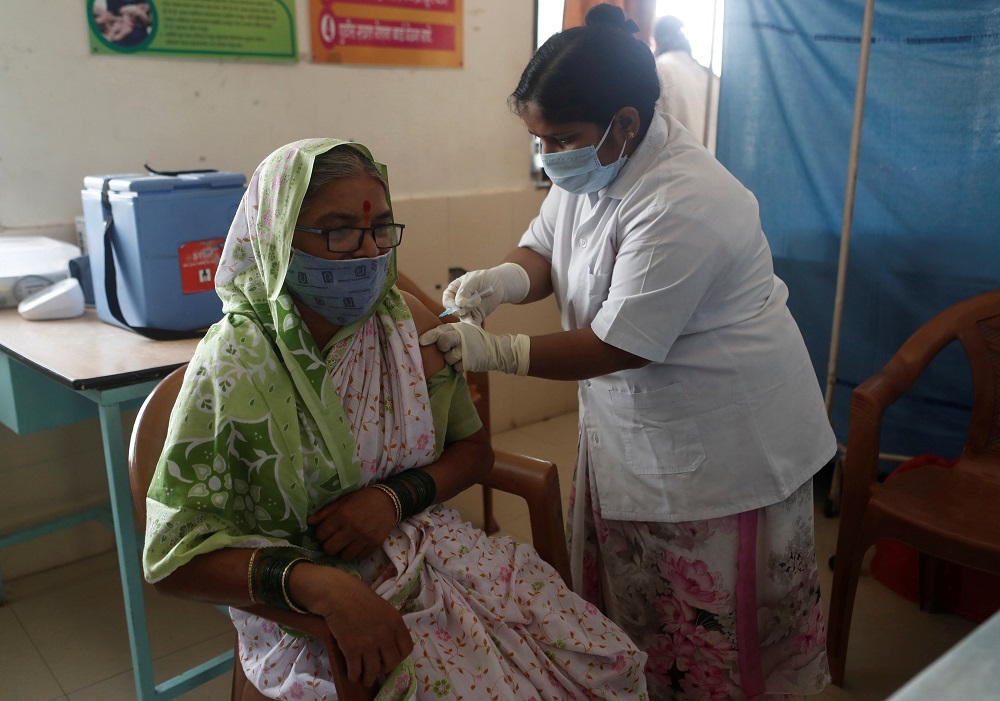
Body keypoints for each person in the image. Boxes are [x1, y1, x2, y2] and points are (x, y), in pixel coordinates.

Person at [419, 5, 836, 699]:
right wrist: (500, 280)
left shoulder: (686, 198)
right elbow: (546, 246)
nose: (550, 156)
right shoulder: (591, 166)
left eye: (562, 139)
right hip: (635, 422)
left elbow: (620, 343)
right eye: (539, 140)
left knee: (713, 632)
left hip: (724, 441)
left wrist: (493, 351)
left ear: (626, 123)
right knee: (639, 607)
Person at [141, 138, 648, 700]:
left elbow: (472, 452)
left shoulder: (403, 327)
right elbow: (174, 559)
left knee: (604, 664)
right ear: (279, 238)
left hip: (426, 544)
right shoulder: (236, 366)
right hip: (302, 596)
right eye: (339, 231)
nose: (368, 253)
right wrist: (318, 585)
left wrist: (391, 501)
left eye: (382, 228)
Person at [652, 15, 720, 153]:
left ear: (657, 40)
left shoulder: (659, 68)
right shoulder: (712, 78)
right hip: (718, 167)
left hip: (678, 166)